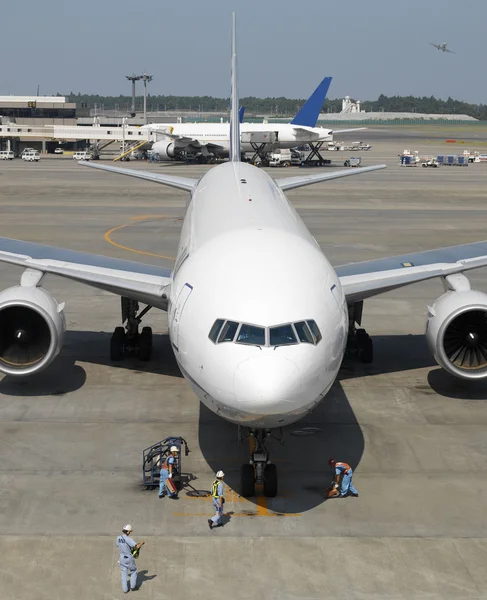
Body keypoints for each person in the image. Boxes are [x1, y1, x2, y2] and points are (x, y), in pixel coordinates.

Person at [116, 524, 145, 593]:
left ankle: (125, 590)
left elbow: (117, 545)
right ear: (128, 532)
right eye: (129, 531)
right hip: (128, 558)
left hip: (122, 558)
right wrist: (141, 543)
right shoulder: (128, 539)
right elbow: (136, 546)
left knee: (123, 574)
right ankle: (133, 587)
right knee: (134, 571)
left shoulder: (118, 538)